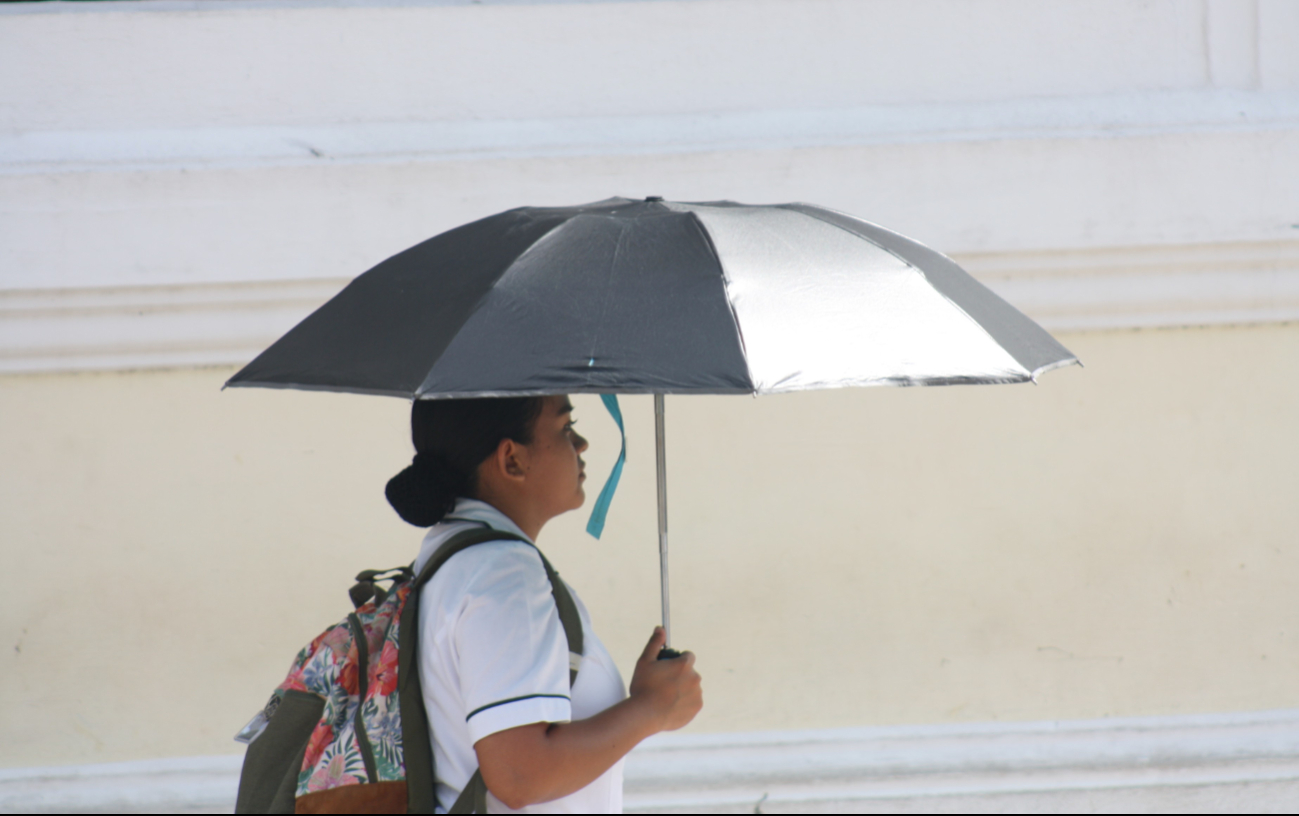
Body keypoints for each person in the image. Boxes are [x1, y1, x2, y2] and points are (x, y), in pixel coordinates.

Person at [385, 395, 702, 813]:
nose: (582, 444)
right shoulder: (503, 574)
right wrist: (652, 709)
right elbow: (519, 773)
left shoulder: (453, 555)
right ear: (512, 459)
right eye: (565, 428)